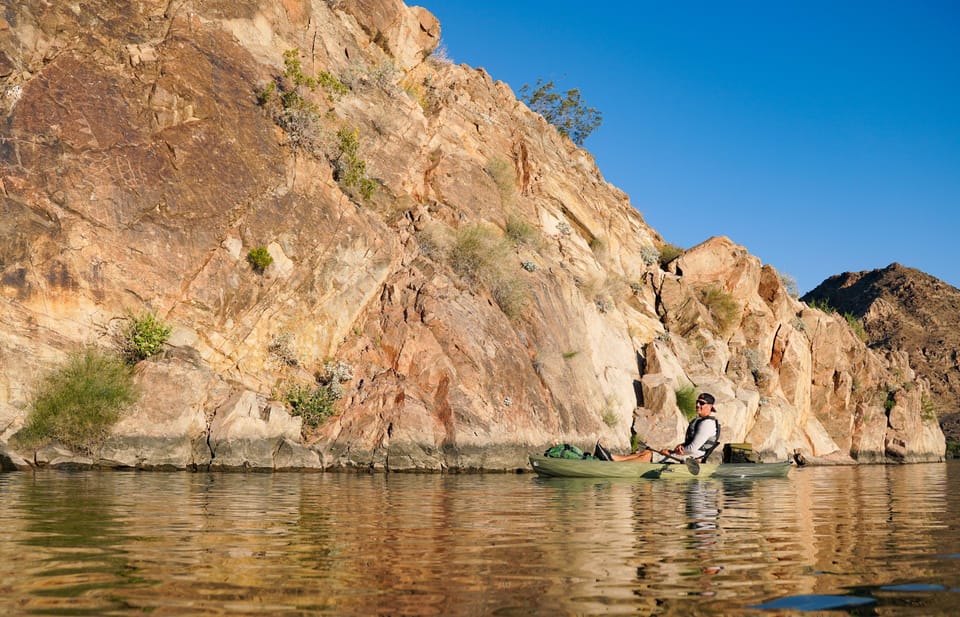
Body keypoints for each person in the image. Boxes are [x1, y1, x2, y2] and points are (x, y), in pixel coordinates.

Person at [598, 393, 721, 463]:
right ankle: (615, 459)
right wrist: (677, 448)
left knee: (648, 456)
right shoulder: (701, 421)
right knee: (647, 452)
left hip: (692, 460)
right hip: (688, 455)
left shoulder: (707, 424)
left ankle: (615, 466)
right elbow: (691, 443)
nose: (697, 405)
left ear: (710, 407)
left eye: (702, 403)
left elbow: (693, 448)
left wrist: (673, 452)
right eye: (697, 402)